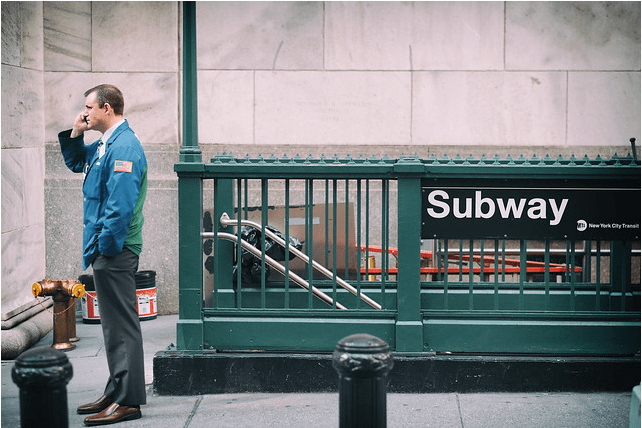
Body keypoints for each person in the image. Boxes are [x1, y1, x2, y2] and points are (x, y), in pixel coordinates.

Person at [59, 84, 148, 426]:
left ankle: (129, 401)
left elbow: (120, 207)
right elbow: (76, 162)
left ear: (107, 108)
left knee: (122, 325)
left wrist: (105, 248)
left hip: (115, 247)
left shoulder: (124, 145)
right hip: (108, 247)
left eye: (88, 108)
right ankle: (117, 390)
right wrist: (76, 132)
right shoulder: (107, 143)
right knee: (113, 326)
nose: (85, 113)